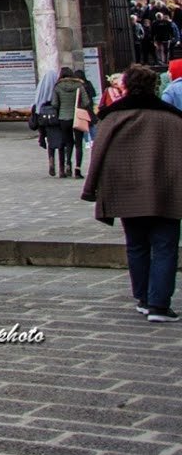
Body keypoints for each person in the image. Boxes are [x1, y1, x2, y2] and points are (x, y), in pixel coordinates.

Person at [81, 64, 182, 323]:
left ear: (125, 86)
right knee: (165, 247)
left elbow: (98, 155)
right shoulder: (173, 119)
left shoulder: (113, 117)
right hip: (168, 191)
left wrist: (91, 189)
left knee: (136, 245)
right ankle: (159, 305)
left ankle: (143, 299)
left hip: (125, 190)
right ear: (155, 86)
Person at [49, 69, 98, 179]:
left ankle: (67, 165)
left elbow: (55, 104)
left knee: (68, 142)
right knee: (79, 144)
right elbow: (86, 102)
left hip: (63, 118)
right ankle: (77, 169)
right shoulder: (79, 85)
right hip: (77, 117)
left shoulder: (58, 87)